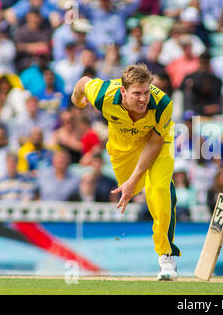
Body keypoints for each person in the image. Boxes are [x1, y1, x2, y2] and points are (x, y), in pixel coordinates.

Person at [71, 63, 180, 281]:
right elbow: (82, 84)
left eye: (146, 92)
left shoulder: (163, 105)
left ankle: (166, 256)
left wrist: (136, 178)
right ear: (123, 91)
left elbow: (155, 144)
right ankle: (156, 187)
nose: (143, 99)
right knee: (134, 187)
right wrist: (78, 101)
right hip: (123, 147)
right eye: (137, 93)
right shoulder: (104, 95)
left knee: (158, 190)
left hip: (156, 143)